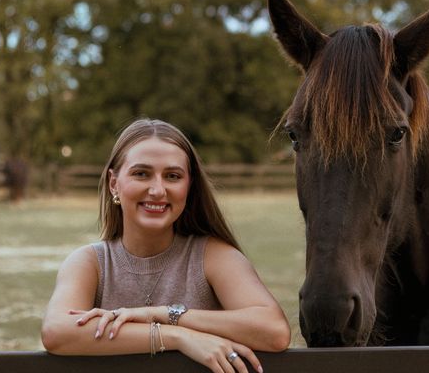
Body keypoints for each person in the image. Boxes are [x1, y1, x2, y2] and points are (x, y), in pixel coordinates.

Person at [42, 118, 290, 373]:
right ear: (114, 183)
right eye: (141, 174)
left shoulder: (213, 256)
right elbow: (57, 332)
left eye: (172, 176)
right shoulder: (91, 263)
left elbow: (274, 331)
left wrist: (162, 314)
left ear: (189, 186)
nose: (158, 190)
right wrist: (176, 337)